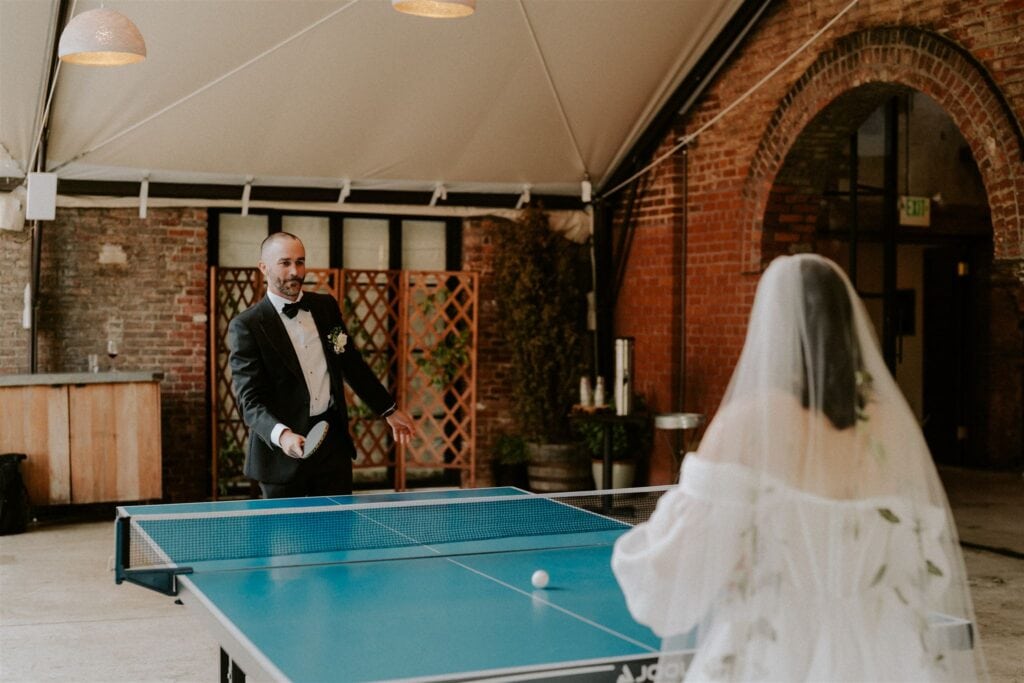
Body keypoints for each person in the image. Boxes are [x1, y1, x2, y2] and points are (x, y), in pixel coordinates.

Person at [612, 254, 984, 682]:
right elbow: (924, 572)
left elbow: (670, 584)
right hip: (879, 656)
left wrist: (632, 554)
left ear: (772, 330)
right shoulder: (891, 428)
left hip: (773, 655)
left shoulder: (746, 424)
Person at [227, 231, 415, 498]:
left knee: (337, 534)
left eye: (300, 262)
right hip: (281, 457)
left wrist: (389, 410)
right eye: (285, 263)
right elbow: (249, 400)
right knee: (284, 536)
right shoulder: (246, 325)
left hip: (332, 449)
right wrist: (283, 436)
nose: (295, 271)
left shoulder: (325, 307)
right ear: (263, 267)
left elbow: (352, 365)